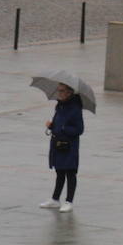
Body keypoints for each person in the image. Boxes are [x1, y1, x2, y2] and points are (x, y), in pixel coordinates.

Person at [40, 83, 84, 213]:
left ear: (69, 92)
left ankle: (69, 201)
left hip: (69, 146)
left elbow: (79, 129)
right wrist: (52, 126)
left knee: (70, 173)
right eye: (58, 90)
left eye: (61, 91)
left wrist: (64, 128)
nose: (59, 93)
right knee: (59, 172)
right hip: (58, 144)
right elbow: (58, 123)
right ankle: (55, 199)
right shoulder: (60, 106)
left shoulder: (75, 108)